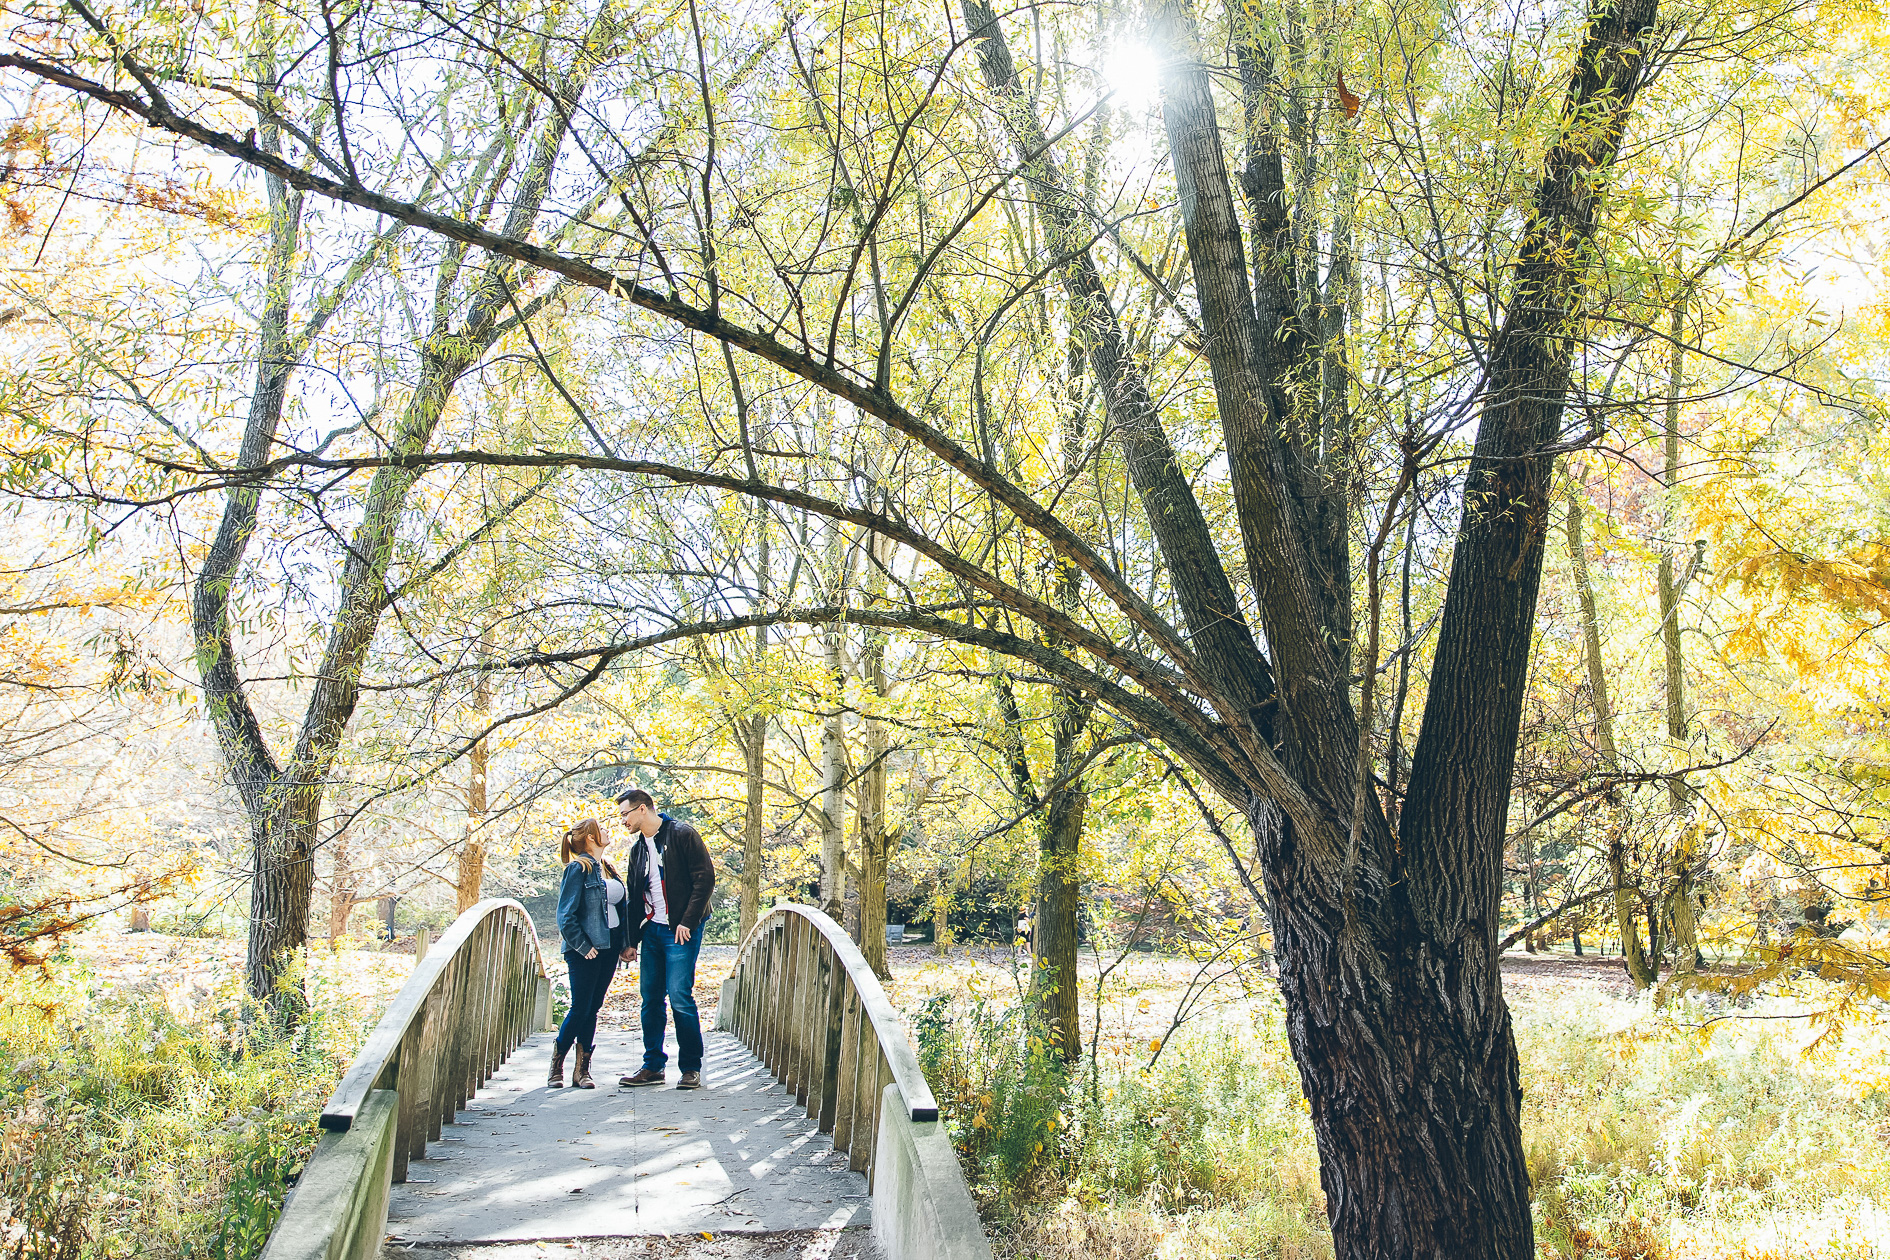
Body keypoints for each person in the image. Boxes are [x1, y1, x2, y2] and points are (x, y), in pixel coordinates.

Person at [615, 788, 716, 1089]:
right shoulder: (637, 850)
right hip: (654, 931)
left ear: (643, 809)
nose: (623, 821)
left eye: (625, 814)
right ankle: (653, 1066)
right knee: (650, 1000)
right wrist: (630, 941)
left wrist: (688, 920)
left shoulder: (682, 834)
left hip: (682, 930)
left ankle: (690, 1068)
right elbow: (635, 897)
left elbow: (705, 878)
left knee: (680, 997)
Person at [550, 818, 632, 1089]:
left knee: (593, 1008)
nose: (608, 831)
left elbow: (620, 912)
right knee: (580, 1007)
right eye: (603, 829)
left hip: (608, 949)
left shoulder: (607, 868)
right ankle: (557, 1064)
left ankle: (582, 1071)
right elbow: (565, 916)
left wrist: (625, 945)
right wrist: (584, 947)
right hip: (584, 950)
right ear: (590, 838)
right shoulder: (578, 869)